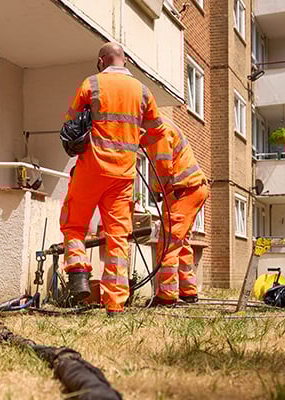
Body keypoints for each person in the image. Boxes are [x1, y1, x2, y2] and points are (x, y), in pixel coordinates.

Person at [61, 43, 167, 315]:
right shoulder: (143, 91)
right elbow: (156, 133)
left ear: (100, 61)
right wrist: (134, 136)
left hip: (92, 168)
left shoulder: (92, 83)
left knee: (74, 224)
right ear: (125, 60)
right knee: (118, 236)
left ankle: (78, 274)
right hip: (123, 174)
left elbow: (70, 123)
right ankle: (115, 304)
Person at [140, 119, 209, 307]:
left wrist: (155, 188)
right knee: (181, 242)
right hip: (190, 189)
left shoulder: (162, 132)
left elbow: (163, 170)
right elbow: (146, 140)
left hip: (184, 190)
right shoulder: (160, 128)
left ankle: (166, 295)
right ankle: (188, 292)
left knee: (168, 242)